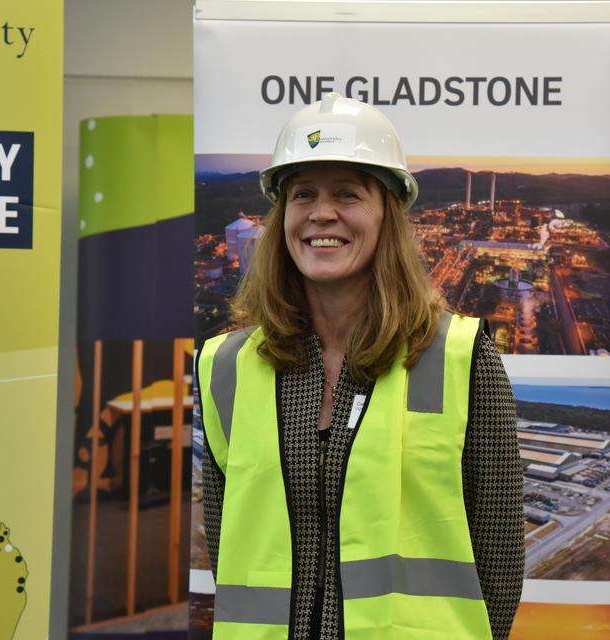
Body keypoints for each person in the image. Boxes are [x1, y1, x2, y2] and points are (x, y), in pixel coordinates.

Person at [197, 92, 524, 639]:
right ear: (281, 218)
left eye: (348, 193)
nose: (322, 213)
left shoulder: (459, 358)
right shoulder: (226, 365)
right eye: (303, 194)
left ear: (386, 214)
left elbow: (499, 560)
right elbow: (225, 542)